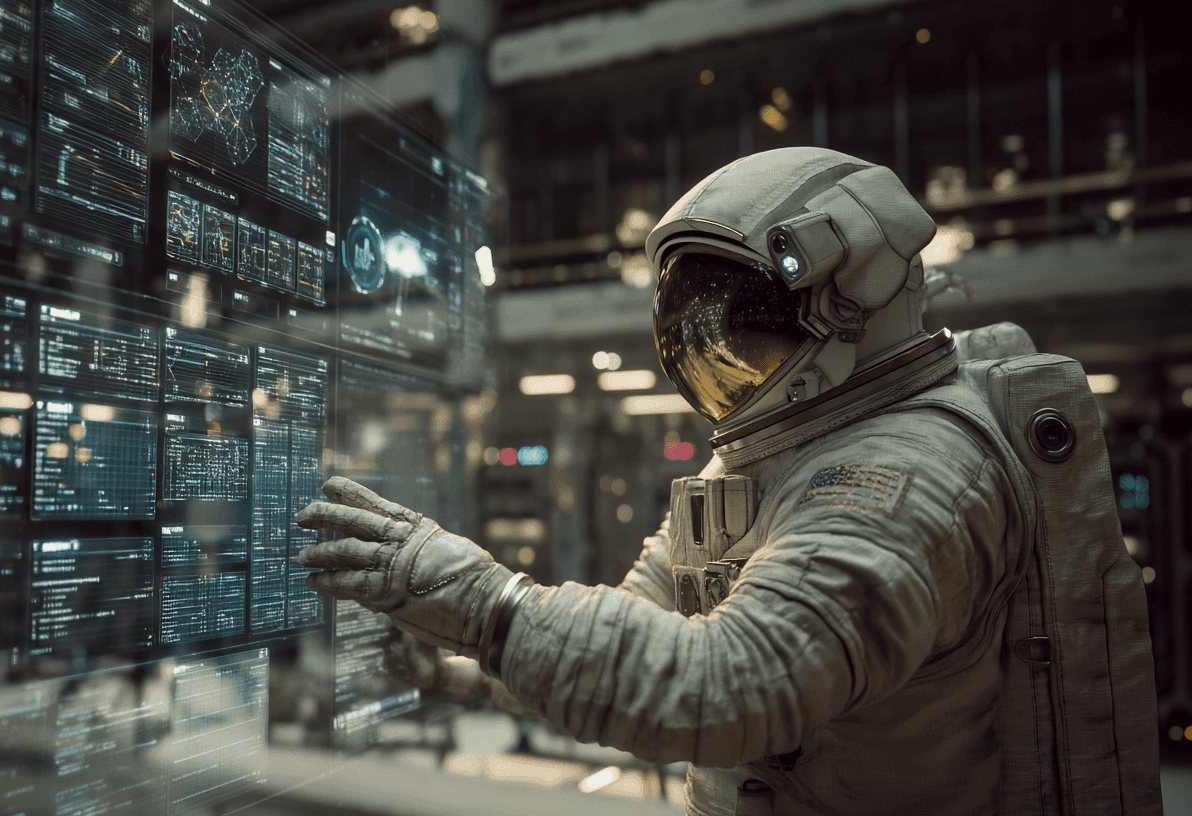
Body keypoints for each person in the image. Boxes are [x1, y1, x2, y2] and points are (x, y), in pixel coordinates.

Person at [295, 147, 1162, 815]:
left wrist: (486, 606)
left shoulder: (914, 473)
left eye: (745, 334)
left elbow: (731, 684)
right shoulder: (777, 454)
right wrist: (464, 668)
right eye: (695, 340)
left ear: (847, 299)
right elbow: (643, 645)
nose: (717, 363)